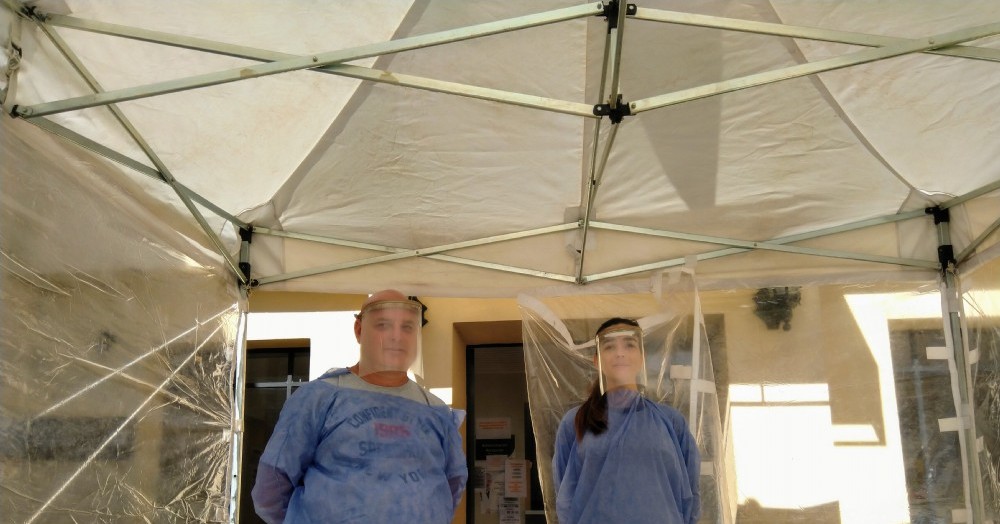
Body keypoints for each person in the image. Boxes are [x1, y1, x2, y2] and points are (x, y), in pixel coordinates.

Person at [251, 290, 468, 523]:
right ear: (359, 330)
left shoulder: (434, 409)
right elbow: (272, 485)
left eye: (407, 327)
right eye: (383, 325)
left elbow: (453, 484)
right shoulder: (319, 398)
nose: (396, 336)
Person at [552, 317, 700, 524]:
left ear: (641, 357)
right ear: (597, 360)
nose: (620, 353)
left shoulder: (671, 422)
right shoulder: (576, 422)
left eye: (629, 345)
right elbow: (565, 495)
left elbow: (690, 493)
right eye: (609, 346)